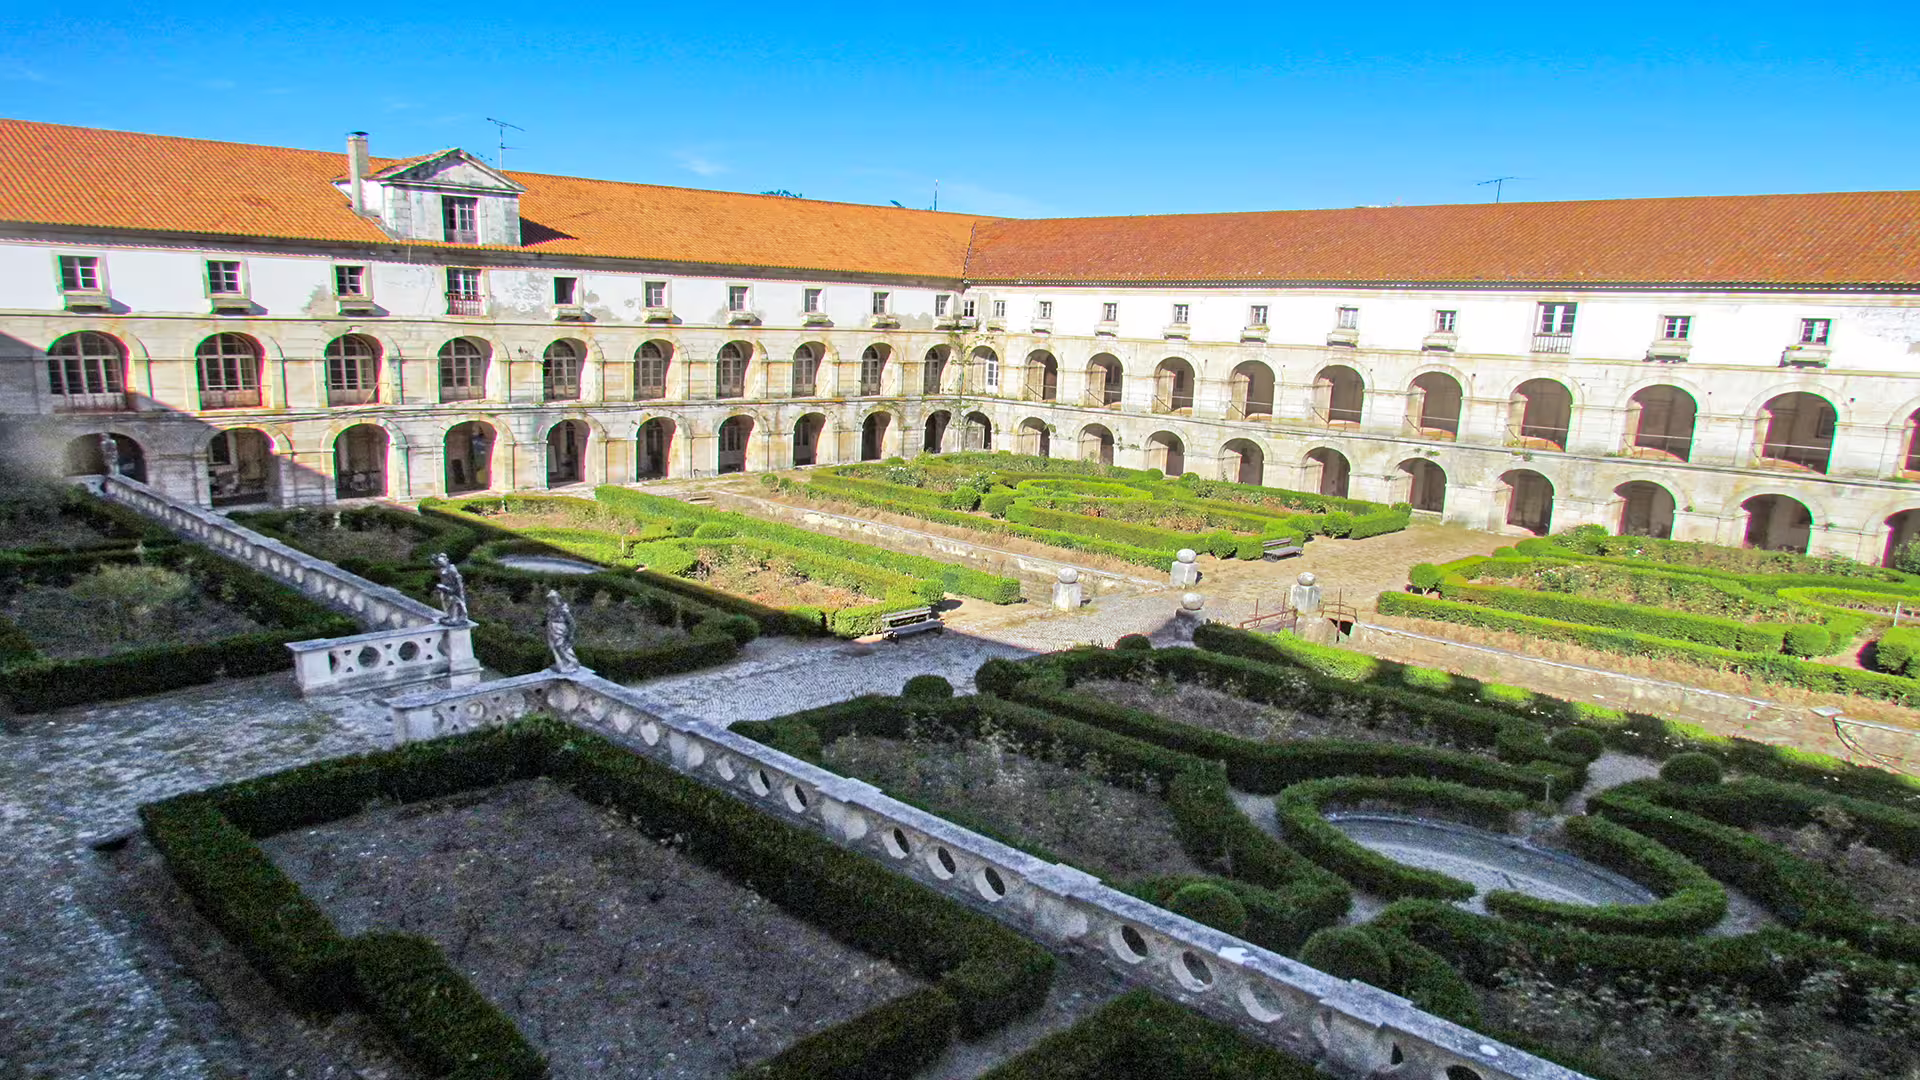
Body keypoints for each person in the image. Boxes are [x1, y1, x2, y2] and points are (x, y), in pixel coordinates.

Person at [545, 589, 580, 673]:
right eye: (550, 599)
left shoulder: (563, 609)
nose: (551, 600)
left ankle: (573, 662)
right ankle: (563, 662)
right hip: (552, 631)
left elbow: (571, 622)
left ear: (557, 598)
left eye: (553, 598)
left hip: (560, 631)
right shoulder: (551, 609)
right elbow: (547, 619)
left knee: (562, 646)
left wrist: (571, 634)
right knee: (555, 647)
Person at [431, 553, 469, 625]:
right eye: (439, 562)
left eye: (441, 562)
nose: (440, 564)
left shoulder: (451, 569)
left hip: (453, 590)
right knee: (446, 602)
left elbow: (458, 582)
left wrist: (452, 589)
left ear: (446, 560)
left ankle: (455, 618)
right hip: (446, 590)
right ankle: (450, 615)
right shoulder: (442, 569)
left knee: (454, 602)